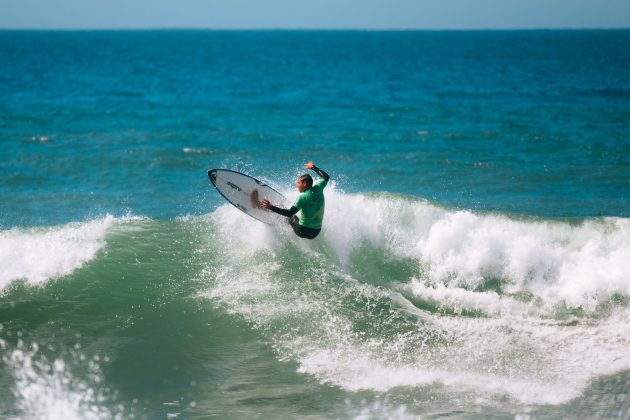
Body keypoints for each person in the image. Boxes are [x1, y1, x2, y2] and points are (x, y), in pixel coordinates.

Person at [260, 161, 329, 239]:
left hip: (302, 231)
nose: (297, 185)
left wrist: (270, 207)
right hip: (316, 232)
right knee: (295, 217)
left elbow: (289, 213)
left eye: (298, 182)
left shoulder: (303, 197)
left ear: (305, 184)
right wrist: (313, 167)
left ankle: (266, 209)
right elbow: (326, 177)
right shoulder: (319, 188)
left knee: (290, 217)